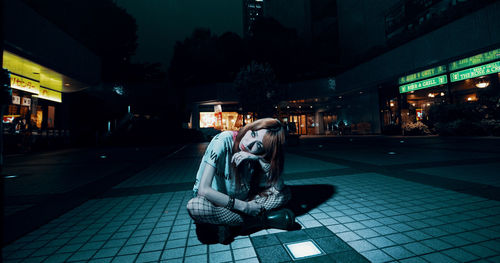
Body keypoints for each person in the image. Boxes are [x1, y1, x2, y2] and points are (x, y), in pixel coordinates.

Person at [186, 118, 294, 243]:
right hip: (214, 202)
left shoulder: (256, 155)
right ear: (250, 127)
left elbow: (279, 187)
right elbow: (203, 190)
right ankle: (260, 221)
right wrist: (245, 207)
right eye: (253, 134)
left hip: (240, 201)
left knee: (284, 194)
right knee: (195, 206)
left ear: (264, 151)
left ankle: (230, 226)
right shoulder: (223, 140)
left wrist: (258, 159)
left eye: (258, 145)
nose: (249, 143)